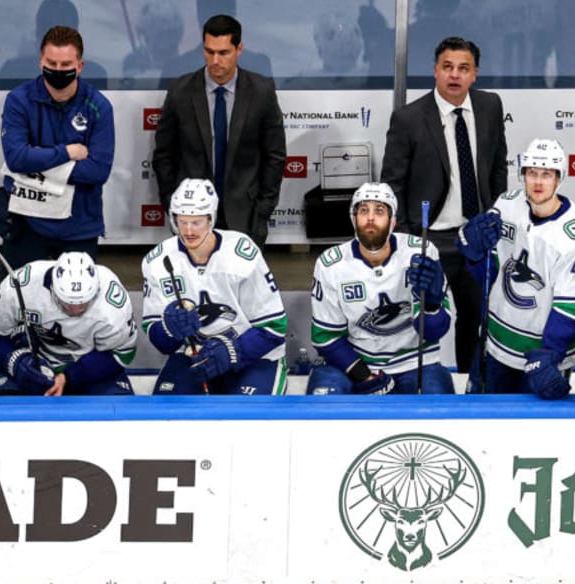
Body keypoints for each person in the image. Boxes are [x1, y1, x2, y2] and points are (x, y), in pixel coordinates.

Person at [381, 36, 508, 373]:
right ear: (435, 71)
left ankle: (468, 383)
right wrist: (408, 239)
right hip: (430, 237)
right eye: (448, 67)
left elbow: (498, 166)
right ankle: (422, 382)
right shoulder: (409, 118)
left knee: (475, 316)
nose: (455, 75)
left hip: (475, 238)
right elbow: (392, 183)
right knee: (425, 318)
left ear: (475, 74)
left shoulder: (491, 106)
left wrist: (494, 216)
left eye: (463, 68)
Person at [460, 139, 575, 396]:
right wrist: (474, 254)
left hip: (540, 356)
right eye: (532, 173)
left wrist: (551, 353)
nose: (538, 182)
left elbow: (571, 306)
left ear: (559, 178)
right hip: (495, 342)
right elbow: (491, 270)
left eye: (546, 174)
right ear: (523, 175)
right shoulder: (507, 204)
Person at [141, 179, 287, 395]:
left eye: (197, 222)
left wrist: (232, 352)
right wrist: (170, 329)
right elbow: (159, 339)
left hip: (253, 357)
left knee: (251, 419)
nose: (188, 230)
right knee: (168, 414)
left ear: (211, 219)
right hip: (194, 356)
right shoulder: (158, 261)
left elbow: (274, 328)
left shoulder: (242, 254)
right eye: (182, 221)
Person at [307, 182, 455, 395]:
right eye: (363, 210)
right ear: (353, 218)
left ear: (393, 221)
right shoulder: (330, 264)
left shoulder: (421, 253)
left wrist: (431, 305)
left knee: (439, 409)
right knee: (322, 400)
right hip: (356, 359)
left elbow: (435, 331)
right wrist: (364, 375)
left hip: (415, 361)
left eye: (379, 210)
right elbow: (325, 337)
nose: (370, 217)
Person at [152, 14, 286, 248]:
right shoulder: (180, 91)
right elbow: (164, 155)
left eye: (223, 53)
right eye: (209, 51)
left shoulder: (261, 92)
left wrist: (263, 209)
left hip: (246, 218)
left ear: (239, 49)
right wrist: (172, 203)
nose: (215, 60)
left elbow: (274, 156)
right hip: (192, 218)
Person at [0, 25, 114, 275]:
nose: (58, 71)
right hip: (26, 225)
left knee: (78, 310)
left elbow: (97, 171)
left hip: (79, 227)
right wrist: (67, 152)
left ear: (80, 66)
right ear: (41, 61)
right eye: (51, 63)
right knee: (16, 306)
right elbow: (17, 158)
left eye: (65, 65)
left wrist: (37, 164)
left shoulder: (99, 107)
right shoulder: (19, 100)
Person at [0, 251, 136, 396]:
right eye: (67, 303)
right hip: (30, 356)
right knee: (7, 409)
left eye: (83, 303)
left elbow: (122, 354)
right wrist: (15, 362)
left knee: (119, 413)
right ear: (52, 289)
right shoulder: (21, 284)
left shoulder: (113, 305)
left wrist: (71, 376)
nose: (75, 310)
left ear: (96, 291)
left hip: (88, 366)